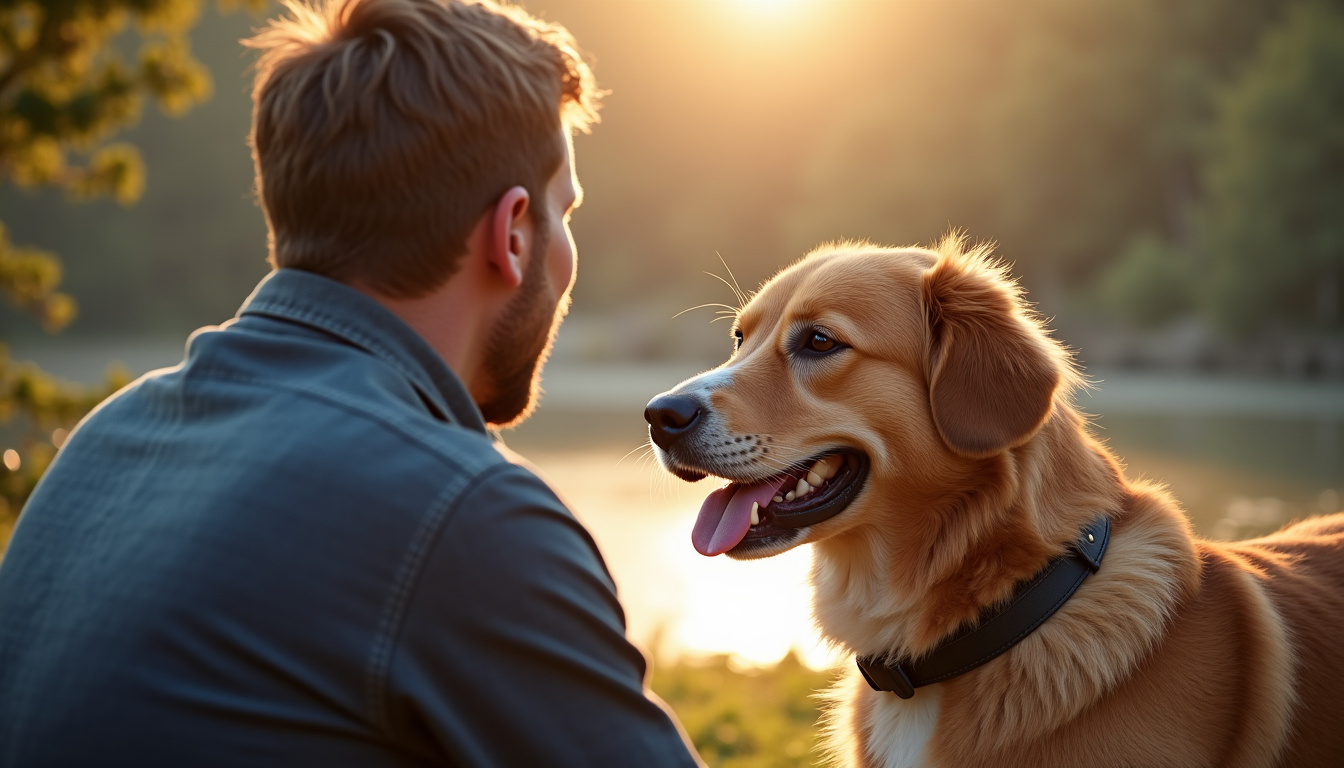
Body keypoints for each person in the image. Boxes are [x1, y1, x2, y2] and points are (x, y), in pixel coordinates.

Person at [0, 0, 704, 765]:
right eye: (563, 211)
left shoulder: (108, 442)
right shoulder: (466, 516)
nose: (570, 254)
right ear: (511, 234)